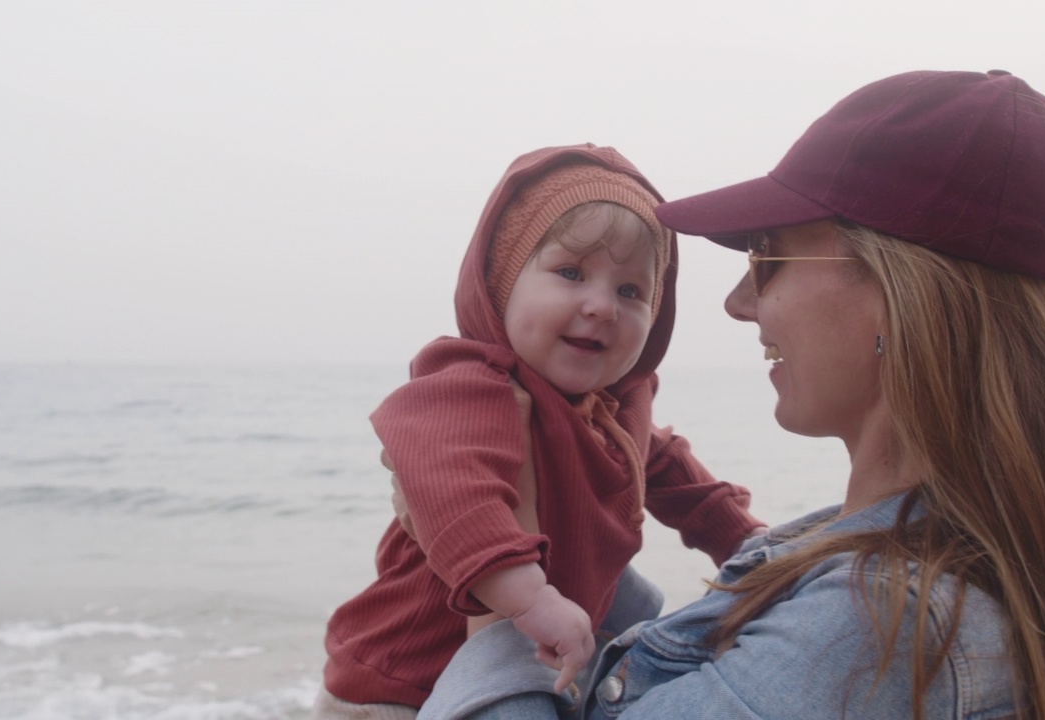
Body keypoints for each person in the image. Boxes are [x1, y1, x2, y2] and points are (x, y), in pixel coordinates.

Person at [415, 69, 1045, 720]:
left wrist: (499, 608)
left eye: (768, 257)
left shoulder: (878, 626)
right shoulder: (970, 566)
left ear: (895, 299)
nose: (738, 303)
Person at [313, 144, 764, 719]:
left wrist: (744, 540)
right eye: (570, 273)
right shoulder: (474, 388)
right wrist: (531, 599)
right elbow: (456, 490)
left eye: (630, 291)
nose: (601, 306)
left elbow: (667, 468)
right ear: (502, 283)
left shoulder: (618, 406)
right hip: (400, 686)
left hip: (538, 664)